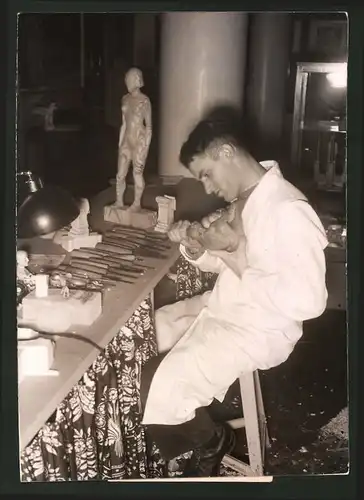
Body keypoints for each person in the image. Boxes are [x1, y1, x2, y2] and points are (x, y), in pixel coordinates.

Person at [140, 116, 328, 477]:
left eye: (207, 174)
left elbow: (309, 302)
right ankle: (196, 433)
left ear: (226, 152)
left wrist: (234, 257)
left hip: (262, 328)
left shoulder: (288, 209)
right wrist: (196, 248)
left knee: (165, 380)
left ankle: (211, 441)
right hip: (228, 308)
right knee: (155, 330)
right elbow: (224, 261)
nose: (208, 188)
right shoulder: (246, 200)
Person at [115, 68, 152, 211]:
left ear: (136, 79)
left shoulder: (144, 101)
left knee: (137, 173)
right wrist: (120, 143)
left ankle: (137, 203)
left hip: (139, 141)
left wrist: (146, 145)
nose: (126, 82)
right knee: (120, 175)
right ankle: (119, 201)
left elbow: (148, 126)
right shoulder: (124, 99)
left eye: (128, 79)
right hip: (126, 141)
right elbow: (124, 123)